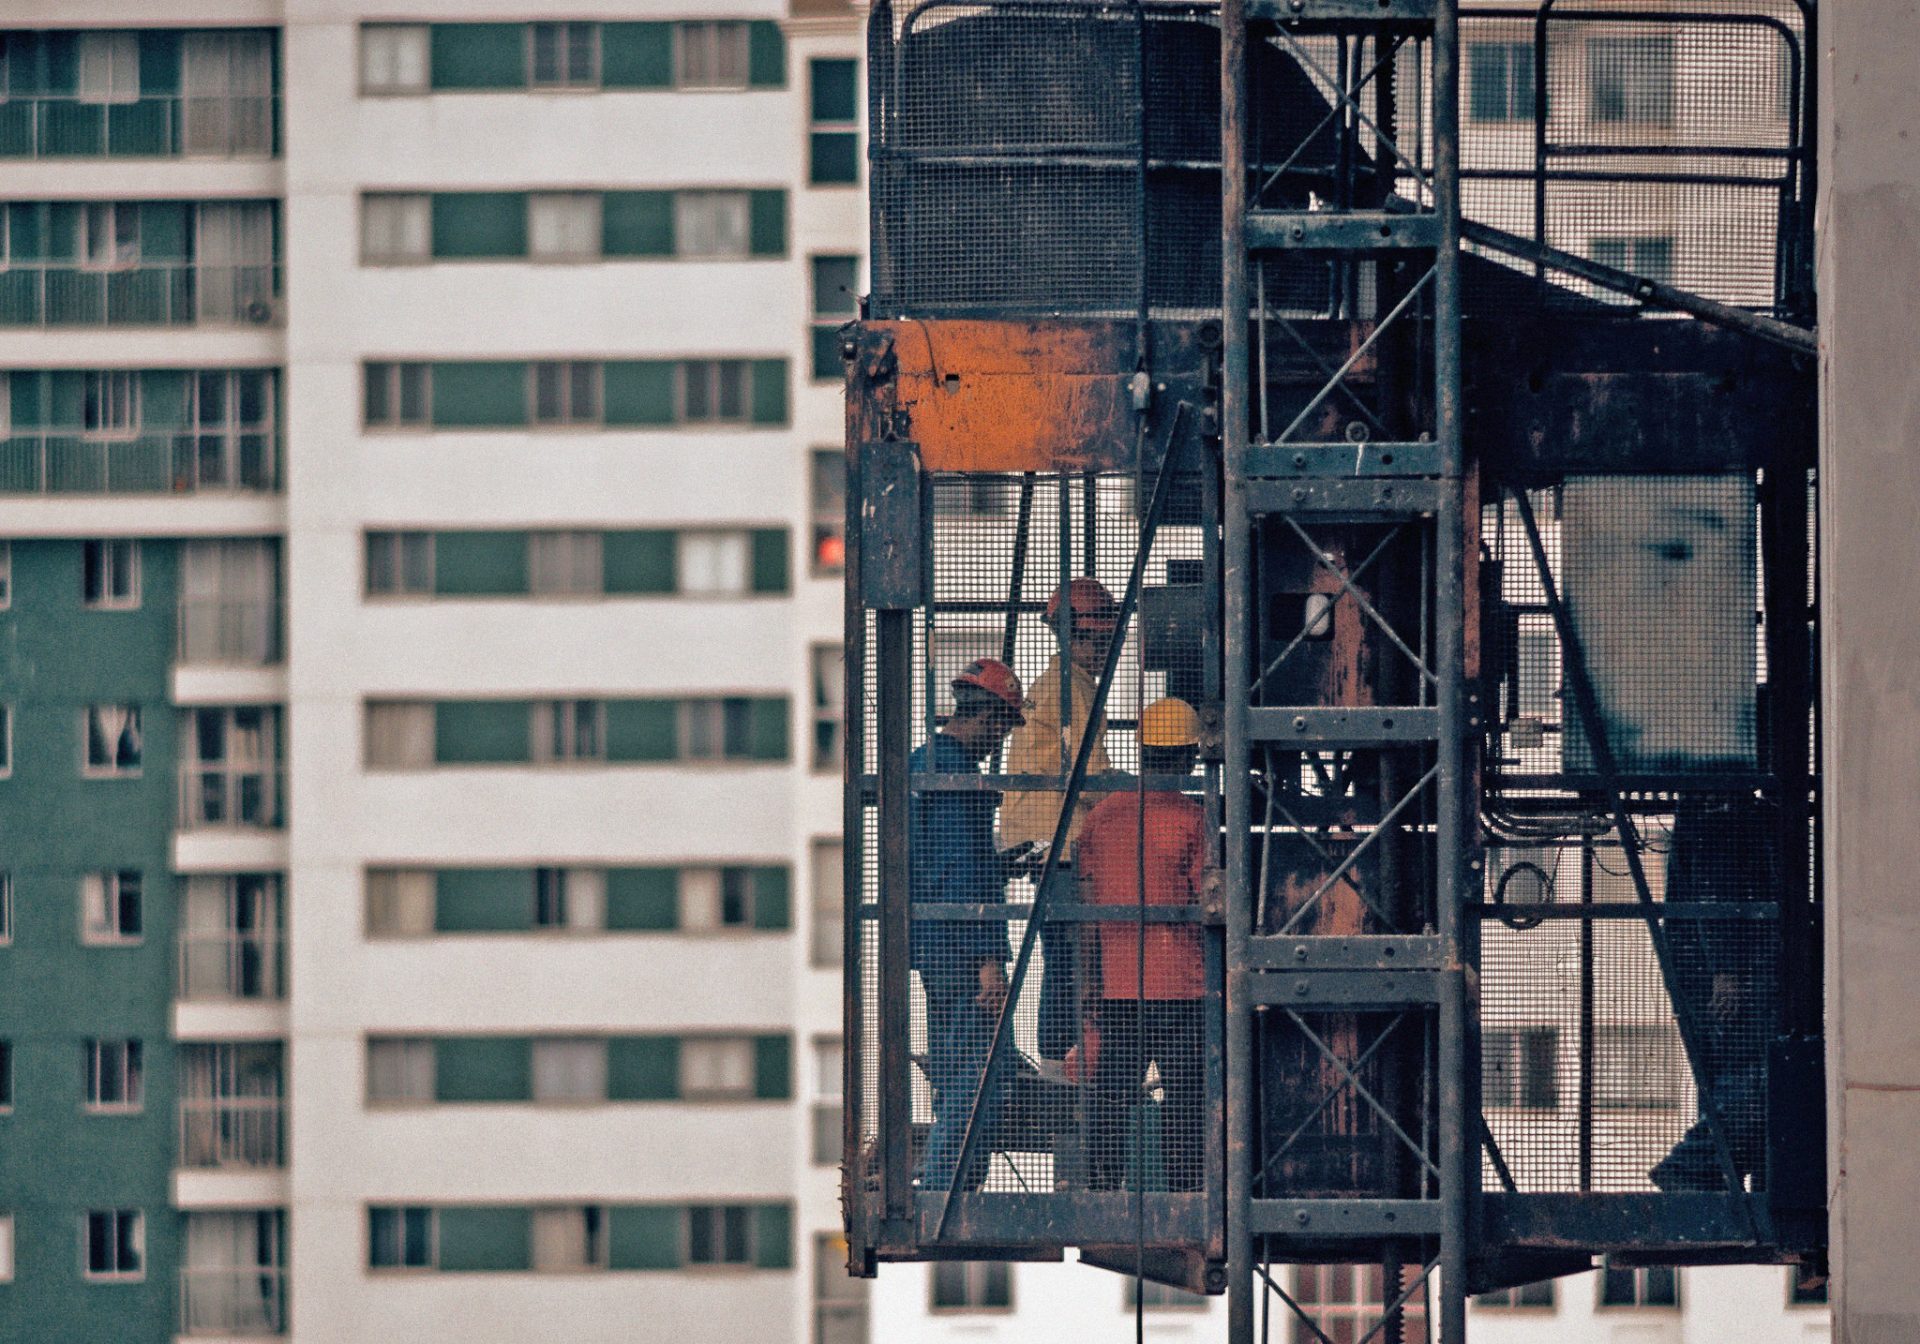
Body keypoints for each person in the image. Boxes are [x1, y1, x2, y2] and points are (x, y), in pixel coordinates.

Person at [1072, 696, 1209, 1192]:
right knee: (1186, 1099)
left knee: (1112, 1094)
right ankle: (1187, 1188)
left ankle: (1104, 1185)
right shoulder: (1194, 821)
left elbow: (1086, 910)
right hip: (1183, 987)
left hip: (1118, 985)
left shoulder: (1102, 818)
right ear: (1189, 755)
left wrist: (1088, 981)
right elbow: (1211, 902)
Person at [911, 657, 1026, 1192]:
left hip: (931, 943)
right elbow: (960, 876)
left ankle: (951, 1182)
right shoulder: (958, 776)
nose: (999, 742)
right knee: (981, 1077)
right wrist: (988, 965)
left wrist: (1001, 863)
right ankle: (944, 1189)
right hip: (960, 946)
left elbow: (940, 861)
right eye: (1003, 728)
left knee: (959, 1068)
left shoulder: (921, 761)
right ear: (991, 720)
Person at [1000, 577, 1119, 1060]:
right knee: (1075, 959)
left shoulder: (1060, 683)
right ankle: (1062, 1062)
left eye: (1104, 640)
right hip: (1060, 841)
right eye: (1092, 639)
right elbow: (1092, 779)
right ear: (1071, 636)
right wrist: (1151, 793)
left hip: (1042, 837)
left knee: (1064, 956)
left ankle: (1062, 1062)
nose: (1098, 649)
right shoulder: (1070, 689)